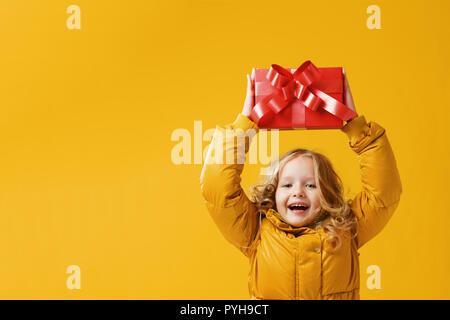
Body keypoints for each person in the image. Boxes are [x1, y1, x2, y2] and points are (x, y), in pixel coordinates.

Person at [199, 69, 402, 300]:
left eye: (311, 185)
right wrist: (244, 127)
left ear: (328, 194)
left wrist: (357, 127)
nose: (298, 192)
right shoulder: (255, 231)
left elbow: (383, 192)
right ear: (272, 194)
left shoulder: (347, 228)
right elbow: (218, 190)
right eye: (286, 185)